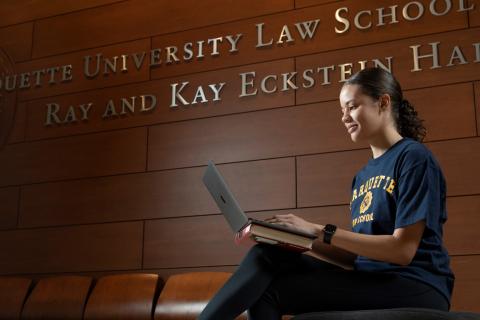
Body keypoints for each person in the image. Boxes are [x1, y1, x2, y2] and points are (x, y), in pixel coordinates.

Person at [198, 67, 454, 320]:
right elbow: (355, 257)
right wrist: (301, 240)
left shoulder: (414, 158)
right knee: (267, 258)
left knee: (271, 285)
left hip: (414, 284)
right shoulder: (362, 176)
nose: (344, 117)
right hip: (370, 277)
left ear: (383, 102)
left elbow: (402, 250)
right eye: (342, 110)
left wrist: (319, 231)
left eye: (352, 106)